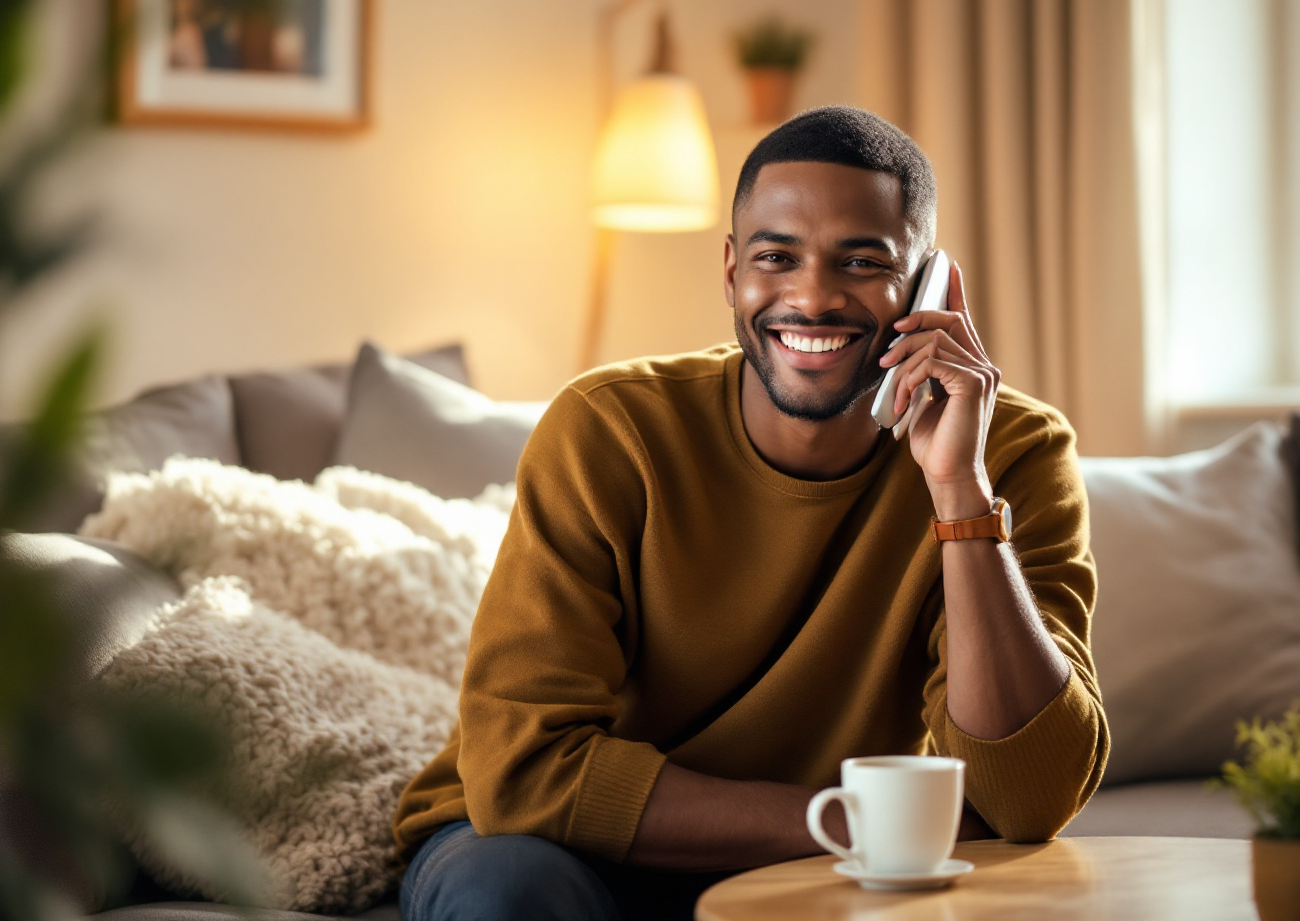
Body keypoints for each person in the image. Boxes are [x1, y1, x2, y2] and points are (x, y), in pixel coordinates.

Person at [392, 106, 1108, 921]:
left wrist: (959, 495)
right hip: (562, 847)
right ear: (732, 272)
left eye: (862, 262)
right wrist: (849, 821)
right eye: (778, 257)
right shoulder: (608, 431)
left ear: (929, 286)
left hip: (816, 870)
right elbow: (522, 773)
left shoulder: (1011, 452)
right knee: (509, 896)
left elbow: (1029, 800)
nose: (813, 297)